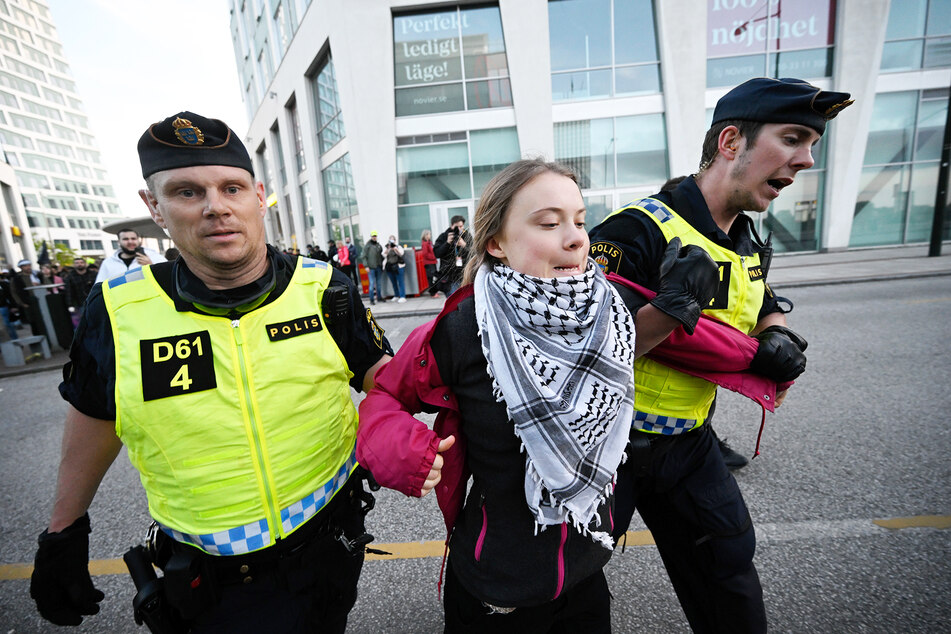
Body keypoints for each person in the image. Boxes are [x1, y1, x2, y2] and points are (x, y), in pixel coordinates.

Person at [29, 111, 392, 633]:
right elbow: (95, 415)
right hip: (210, 584)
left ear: (258, 195)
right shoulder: (116, 310)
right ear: (153, 206)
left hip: (331, 546)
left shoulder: (324, 287)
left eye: (231, 188)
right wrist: (63, 533)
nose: (216, 208)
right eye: (187, 192)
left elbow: (383, 377)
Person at [588, 77, 850, 632]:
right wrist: (671, 305)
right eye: (794, 138)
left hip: (689, 442)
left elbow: (762, 299)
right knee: (571, 584)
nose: (805, 160)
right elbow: (583, 350)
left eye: (812, 146)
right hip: (606, 445)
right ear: (731, 142)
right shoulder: (634, 231)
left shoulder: (749, 237)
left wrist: (777, 332)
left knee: (728, 574)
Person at [358, 159, 638, 633]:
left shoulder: (612, 311)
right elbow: (383, 399)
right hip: (494, 588)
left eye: (579, 220)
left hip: (586, 573)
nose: (575, 237)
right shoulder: (463, 328)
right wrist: (403, 452)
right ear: (496, 243)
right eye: (549, 223)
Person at [94, 228, 166, 284]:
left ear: (138, 240)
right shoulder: (108, 263)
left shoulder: (155, 257)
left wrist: (151, 266)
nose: (130, 242)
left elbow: (168, 277)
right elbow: (99, 286)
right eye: (125, 239)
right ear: (119, 242)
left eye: (133, 238)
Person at [433, 215, 471, 296]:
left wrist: (464, 245)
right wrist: (447, 243)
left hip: (465, 275)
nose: (459, 229)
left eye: (461, 226)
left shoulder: (467, 236)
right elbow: (437, 254)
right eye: (457, 227)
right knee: (453, 303)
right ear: (452, 226)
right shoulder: (444, 236)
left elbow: (474, 253)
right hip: (450, 277)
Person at [9, 259, 39, 335]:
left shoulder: (37, 275)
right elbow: (14, 292)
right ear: (21, 267)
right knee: (34, 323)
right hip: (28, 303)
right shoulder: (17, 278)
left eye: (29, 265)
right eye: (25, 266)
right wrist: (22, 303)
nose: (28, 267)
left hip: (41, 301)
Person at [362, 231, 385, 305]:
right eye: (373, 236)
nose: (374, 237)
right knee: (372, 284)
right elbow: (364, 256)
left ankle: (379, 298)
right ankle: (371, 299)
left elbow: (381, 255)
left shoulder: (378, 245)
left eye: (375, 236)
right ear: (371, 237)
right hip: (371, 267)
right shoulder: (367, 246)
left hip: (378, 266)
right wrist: (366, 266)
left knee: (379, 284)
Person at [383, 235, 406, 303]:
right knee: (393, 282)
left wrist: (395, 249)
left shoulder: (398, 247)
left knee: (400, 282)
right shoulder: (387, 248)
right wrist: (388, 249)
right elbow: (383, 255)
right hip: (390, 267)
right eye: (390, 240)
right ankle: (396, 295)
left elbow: (401, 254)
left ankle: (402, 296)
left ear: (395, 241)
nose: (392, 242)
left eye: (393, 240)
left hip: (398, 266)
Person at [419, 229, 439, 296]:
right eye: (428, 234)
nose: (429, 235)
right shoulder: (425, 244)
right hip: (429, 263)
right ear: (425, 235)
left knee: (434, 277)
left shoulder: (429, 242)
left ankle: (434, 291)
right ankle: (432, 293)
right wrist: (433, 257)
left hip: (432, 262)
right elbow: (425, 254)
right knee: (431, 278)